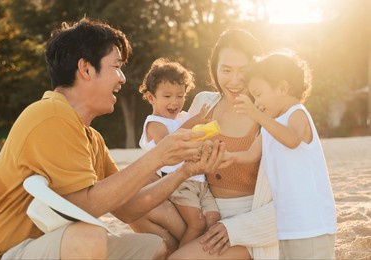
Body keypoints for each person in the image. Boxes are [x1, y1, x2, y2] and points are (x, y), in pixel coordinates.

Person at [0, 18, 227, 260]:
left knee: (155, 247)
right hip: (4, 253)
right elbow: (85, 207)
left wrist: (184, 171)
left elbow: (129, 208)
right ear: (86, 69)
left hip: (45, 247)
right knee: (88, 237)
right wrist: (159, 155)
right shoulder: (50, 115)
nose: (122, 78)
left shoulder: (90, 137)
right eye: (116, 67)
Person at [169, 29, 279, 260]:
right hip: (201, 212)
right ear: (215, 69)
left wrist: (235, 229)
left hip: (247, 226)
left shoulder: (269, 115)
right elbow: (176, 153)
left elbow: (290, 200)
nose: (235, 81)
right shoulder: (204, 102)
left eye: (244, 71)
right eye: (226, 70)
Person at [227, 49, 337, 259]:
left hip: (312, 225)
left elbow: (292, 139)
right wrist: (226, 157)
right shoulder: (271, 124)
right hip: (288, 225)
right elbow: (251, 154)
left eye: (258, 94)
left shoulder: (297, 113)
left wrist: (255, 114)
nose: (256, 102)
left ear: (283, 87)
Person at [130, 57, 220, 250]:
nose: (175, 102)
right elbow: (170, 146)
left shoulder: (183, 117)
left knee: (213, 219)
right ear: (151, 98)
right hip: (178, 183)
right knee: (196, 224)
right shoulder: (155, 123)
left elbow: (197, 138)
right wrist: (194, 122)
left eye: (180, 96)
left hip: (200, 182)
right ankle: (179, 256)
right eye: (167, 96)